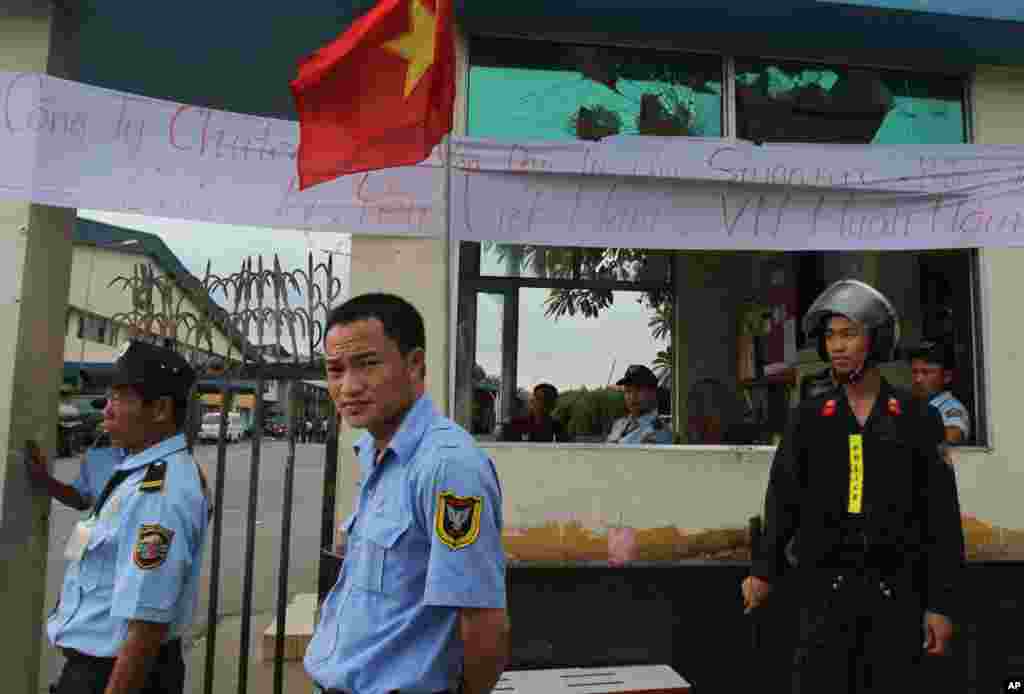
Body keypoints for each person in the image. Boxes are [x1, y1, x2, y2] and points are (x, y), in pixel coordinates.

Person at [741, 279, 964, 693]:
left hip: (896, 598)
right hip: (823, 598)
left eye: (848, 334)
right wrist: (763, 570)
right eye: (830, 336)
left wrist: (941, 605)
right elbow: (782, 500)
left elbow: (942, 520)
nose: (837, 346)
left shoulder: (916, 418)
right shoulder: (808, 417)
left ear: (875, 341)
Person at [305, 293, 509, 694]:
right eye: (335, 370)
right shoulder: (376, 452)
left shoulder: (447, 467)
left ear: (415, 364)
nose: (348, 387)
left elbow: (484, 620)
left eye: (367, 364)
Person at [45, 340, 210, 694]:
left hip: (117, 675)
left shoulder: (160, 492)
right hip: (97, 670)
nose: (106, 409)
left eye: (120, 397)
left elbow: (145, 624)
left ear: (161, 409)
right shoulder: (136, 470)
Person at [27, 403, 125, 512]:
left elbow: (147, 517)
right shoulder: (96, 456)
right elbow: (80, 499)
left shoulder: (146, 457)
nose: (108, 411)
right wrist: (44, 480)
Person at [908, 340, 971, 445]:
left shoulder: (951, 407)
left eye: (926, 372)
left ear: (946, 377)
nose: (918, 379)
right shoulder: (911, 403)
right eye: (914, 372)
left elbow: (953, 435)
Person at [606, 364, 673, 444]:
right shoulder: (619, 424)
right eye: (628, 391)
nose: (632, 396)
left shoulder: (659, 432)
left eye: (639, 390)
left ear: (653, 393)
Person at [499, 383, 572, 442]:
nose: (533, 401)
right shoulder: (513, 424)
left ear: (552, 405)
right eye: (535, 397)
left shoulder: (557, 428)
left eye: (541, 399)